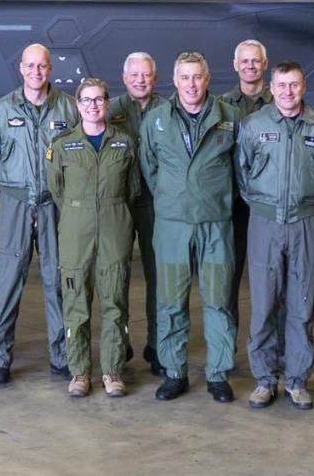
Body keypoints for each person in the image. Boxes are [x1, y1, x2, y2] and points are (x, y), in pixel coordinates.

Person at [235, 62, 314, 410]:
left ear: (303, 86)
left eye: (294, 85)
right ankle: (265, 380)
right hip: (264, 221)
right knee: (264, 303)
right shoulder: (254, 124)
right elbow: (242, 170)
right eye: (281, 85)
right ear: (272, 87)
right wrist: (263, 203)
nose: (287, 92)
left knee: (301, 302)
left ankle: (296, 380)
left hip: (304, 222)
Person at [139, 51, 241, 403]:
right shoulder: (156, 120)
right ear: (175, 80)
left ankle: (218, 374)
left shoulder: (229, 117)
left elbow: (240, 169)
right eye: (185, 77)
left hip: (216, 225)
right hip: (172, 226)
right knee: (170, 302)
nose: (192, 84)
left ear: (207, 79)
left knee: (219, 301)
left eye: (198, 77)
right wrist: (175, 198)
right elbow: (150, 168)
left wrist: (216, 199)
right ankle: (174, 372)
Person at [0, 43, 79, 384]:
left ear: (50, 69)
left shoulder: (69, 108)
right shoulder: (1, 110)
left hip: (55, 205)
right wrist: (11, 186)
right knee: (8, 281)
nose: (36, 72)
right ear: (21, 68)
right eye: (30, 66)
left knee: (58, 282)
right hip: (16, 205)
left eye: (42, 66)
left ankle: (62, 356)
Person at [48, 78, 140, 398]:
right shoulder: (63, 145)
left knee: (115, 302)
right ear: (77, 104)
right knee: (76, 304)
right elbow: (57, 189)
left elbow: (133, 188)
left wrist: (112, 211)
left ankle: (112, 371)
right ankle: (80, 372)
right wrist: (82, 210)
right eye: (86, 100)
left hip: (115, 227)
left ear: (107, 103)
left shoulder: (124, 143)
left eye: (99, 99)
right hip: (76, 230)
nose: (92, 105)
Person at [107, 51, 163, 376]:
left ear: (155, 78)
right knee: (117, 276)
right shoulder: (110, 110)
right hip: (121, 203)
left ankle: (157, 346)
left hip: (156, 205)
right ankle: (120, 343)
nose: (140, 80)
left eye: (146, 75)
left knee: (159, 278)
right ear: (124, 78)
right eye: (134, 75)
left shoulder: (168, 111)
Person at [221, 40, 272, 323]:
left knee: (271, 278)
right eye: (245, 61)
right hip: (233, 205)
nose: (250, 66)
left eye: (255, 61)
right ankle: (226, 341)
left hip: (268, 203)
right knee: (228, 279)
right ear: (235, 65)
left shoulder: (281, 101)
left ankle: (269, 341)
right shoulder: (221, 106)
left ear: (265, 64)